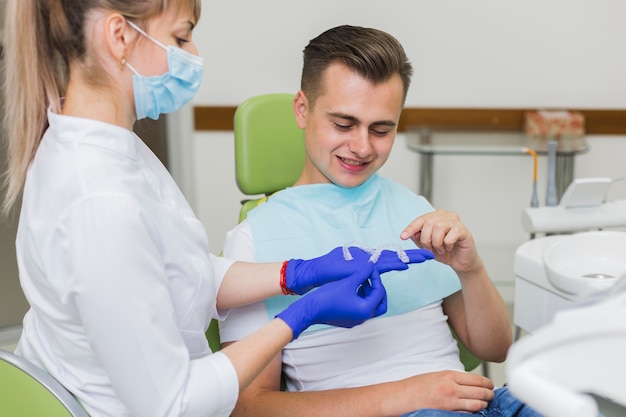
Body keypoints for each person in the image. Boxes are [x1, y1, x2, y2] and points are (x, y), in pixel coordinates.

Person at [0, 3, 434, 417]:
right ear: (119, 37)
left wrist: (296, 272)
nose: (193, 55)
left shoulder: (113, 150)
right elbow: (172, 405)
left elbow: (177, 271)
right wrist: (300, 315)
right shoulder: (98, 202)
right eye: (182, 36)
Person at [220, 25, 543, 417]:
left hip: (482, 404)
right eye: (343, 124)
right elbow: (248, 407)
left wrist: (471, 270)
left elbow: (494, 349)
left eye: (381, 129)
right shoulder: (255, 240)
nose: (361, 147)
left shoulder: (414, 209)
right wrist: (409, 395)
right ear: (302, 109)